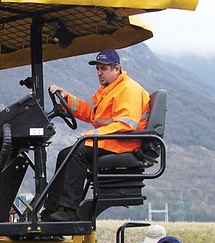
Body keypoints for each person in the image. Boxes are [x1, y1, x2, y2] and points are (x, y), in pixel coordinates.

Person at [41, 48, 152, 221]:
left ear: (117, 69)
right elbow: (90, 112)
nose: (100, 73)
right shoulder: (107, 89)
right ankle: (52, 208)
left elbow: (125, 124)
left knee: (77, 153)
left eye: (104, 69)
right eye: (98, 69)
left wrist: (92, 134)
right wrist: (67, 98)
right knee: (65, 153)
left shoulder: (128, 90)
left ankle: (68, 210)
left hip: (126, 143)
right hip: (113, 140)